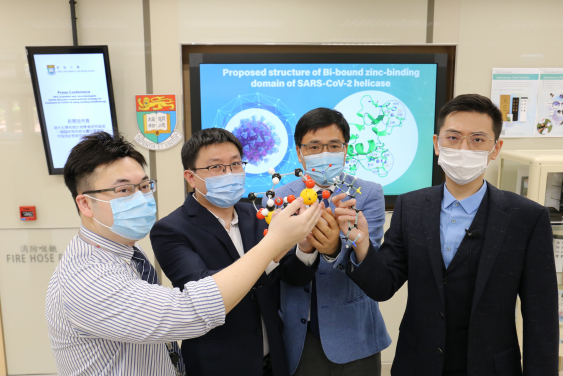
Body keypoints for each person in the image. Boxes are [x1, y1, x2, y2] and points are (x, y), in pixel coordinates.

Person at [46, 131, 322, 376]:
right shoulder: (88, 276)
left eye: (144, 186)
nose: (141, 197)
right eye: (124, 190)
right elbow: (187, 311)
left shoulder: (125, 252)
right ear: (85, 204)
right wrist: (271, 246)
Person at [334, 94, 558, 376]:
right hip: (418, 364)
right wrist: (363, 245)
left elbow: (541, 315)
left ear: (495, 148)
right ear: (436, 144)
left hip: (492, 366)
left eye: (477, 139)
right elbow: (383, 285)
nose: (463, 147)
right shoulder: (410, 207)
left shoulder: (526, 217)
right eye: (453, 137)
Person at [150, 128, 321, 376]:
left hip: (273, 359)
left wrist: (304, 246)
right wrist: (271, 251)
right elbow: (203, 288)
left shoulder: (256, 214)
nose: (229, 173)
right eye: (216, 167)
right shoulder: (170, 229)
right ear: (190, 177)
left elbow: (290, 276)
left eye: (235, 164)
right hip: (218, 363)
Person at [263, 108, 391, 376]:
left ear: (345, 149)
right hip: (298, 335)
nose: (324, 153)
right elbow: (275, 265)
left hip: (354, 334)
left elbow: (372, 261)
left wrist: (335, 249)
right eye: (314, 146)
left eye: (333, 145)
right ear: (300, 152)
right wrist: (305, 250)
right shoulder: (279, 198)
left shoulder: (368, 193)